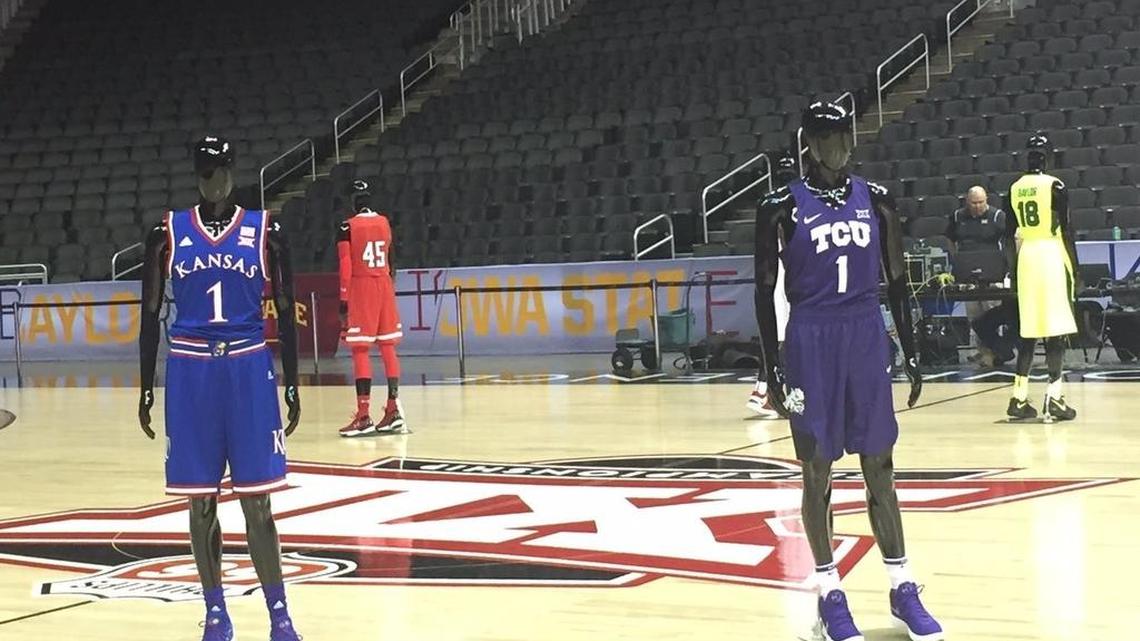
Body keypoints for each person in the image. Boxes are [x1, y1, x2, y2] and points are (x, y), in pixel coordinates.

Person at [754, 102, 942, 641]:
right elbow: (763, 295)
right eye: (826, 135)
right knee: (818, 467)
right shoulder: (779, 207)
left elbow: (900, 281)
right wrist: (772, 370)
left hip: (864, 332)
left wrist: (909, 349)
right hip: (811, 338)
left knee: (879, 461)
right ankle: (828, 593)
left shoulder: (877, 201)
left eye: (843, 133)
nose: (837, 144)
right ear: (809, 142)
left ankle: (902, 586)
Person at [138, 136, 303, 641]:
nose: (216, 177)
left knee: (258, 501)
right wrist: (145, 386)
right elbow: (149, 315)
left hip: (248, 367)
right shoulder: (165, 233)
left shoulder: (266, 230)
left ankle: (280, 616)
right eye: (207, 168)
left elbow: (291, 319)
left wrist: (293, 383)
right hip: (190, 371)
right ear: (196, 172)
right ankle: (216, 613)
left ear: (234, 170)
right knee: (199, 500)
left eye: (223, 167)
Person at [1003, 133, 1078, 421]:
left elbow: (1007, 237)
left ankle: (1018, 398)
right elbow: (1067, 232)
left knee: (1029, 332)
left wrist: (1013, 270)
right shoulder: (1055, 186)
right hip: (1049, 253)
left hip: (1026, 257)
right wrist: (1077, 268)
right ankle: (1055, 398)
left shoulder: (1014, 188)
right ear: (1048, 156)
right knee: (1055, 330)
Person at [337, 179, 407, 437]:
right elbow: (392, 259)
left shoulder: (347, 226)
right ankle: (392, 410)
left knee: (360, 349)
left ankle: (363, 415)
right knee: (388, 346)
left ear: (352, 202)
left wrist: (344, 299)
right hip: (384, 284)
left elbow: (346, 266)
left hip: (362, 287)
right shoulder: (384, 222)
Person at [747, 150, 796, 418]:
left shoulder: (771, 202)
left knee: (780, 338)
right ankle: (762, 391)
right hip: (782, 276)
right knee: (780, 337)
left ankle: (764, 390)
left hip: (775, 274)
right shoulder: (787, 204)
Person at [948, 185, 1009, 366]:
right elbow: (950, 238)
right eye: (973, 203)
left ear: (986, 201)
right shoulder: (958, 217)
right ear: (967, 201)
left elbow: (1009, 239)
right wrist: (956, 259)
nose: (977, 206)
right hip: (968, 273)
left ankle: (995, 351)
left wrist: (1005, 263)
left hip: (993, 274)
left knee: (991, 313)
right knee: (973, 315)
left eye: (981, 202)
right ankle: (982, 351)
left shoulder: (998, 217)